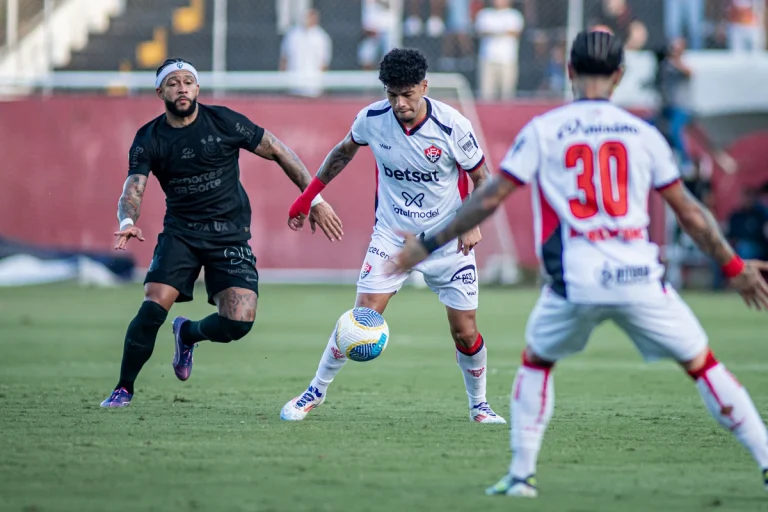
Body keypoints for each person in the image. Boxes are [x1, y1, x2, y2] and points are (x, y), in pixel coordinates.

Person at [390, 31, 768, 496]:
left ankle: (522, 476)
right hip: (639, 278)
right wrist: (734, 268)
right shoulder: (642, 134)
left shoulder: (545, 130)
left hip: (576, 281)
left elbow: (489, 198)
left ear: (569, 72)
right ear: (620, 76)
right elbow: (690, 213)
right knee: (704, 366)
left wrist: (426, 245)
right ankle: (766, 460)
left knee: (537, 363)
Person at [101, 58, 343, 408]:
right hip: (181, 234)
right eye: (172, 83)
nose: (181, 87)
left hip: (229, 236)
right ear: (160, 92)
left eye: (188, 81)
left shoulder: (224, 121)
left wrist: (313, 199)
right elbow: (132, 190)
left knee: (239, 323)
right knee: (154, 304)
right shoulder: (149, 138)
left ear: (197, 88)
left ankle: (188, 333)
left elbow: (276, 148)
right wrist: (127, 222)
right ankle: (123, 388)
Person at [281, 48, 506, 424]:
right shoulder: (371, 120)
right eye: (391, 95)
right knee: (361, 317)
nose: (400, 103)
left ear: (424, 86)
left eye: (407, 94)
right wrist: (308, 198)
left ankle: (479, 405)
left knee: (465, 332)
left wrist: (472, 221)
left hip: (447, 238)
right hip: (392, 235)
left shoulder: (453, 126)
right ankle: (314, 393)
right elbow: (341, 153)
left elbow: (482, 179)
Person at [279, 9, 333, 98]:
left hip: (313, 89)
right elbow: (284, 60)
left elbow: (324, 64)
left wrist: (320, 85)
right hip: (294, 88)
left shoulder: (321, 37)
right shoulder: (292, 35)